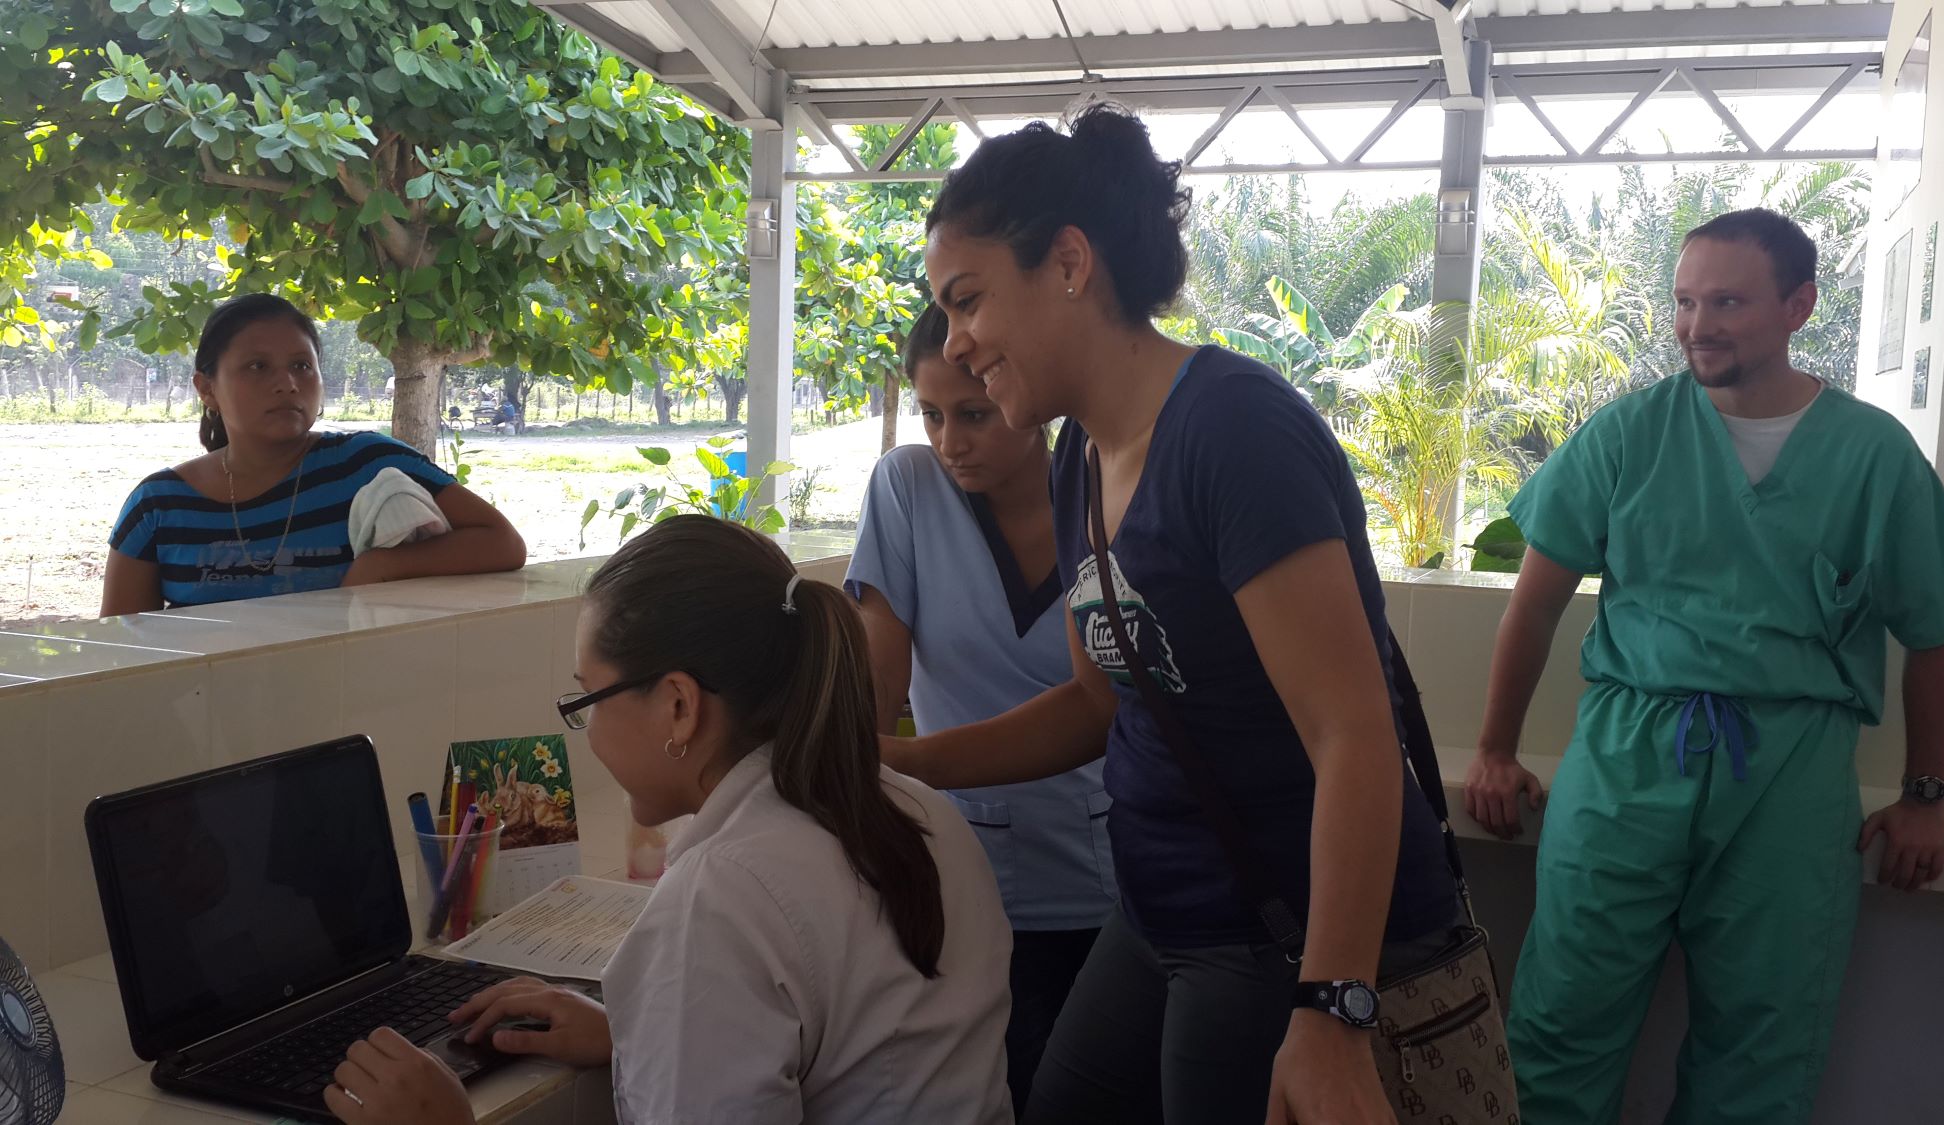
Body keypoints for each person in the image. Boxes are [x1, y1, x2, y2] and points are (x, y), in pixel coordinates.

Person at [890, 103, 1461, 1125]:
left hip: (1274, 928)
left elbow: (1352, 736)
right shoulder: (1076, 461)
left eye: (966, 299)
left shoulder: (1229, 430)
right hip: (1158, 911)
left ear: (1068, 262)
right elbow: (1095, 701)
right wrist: (896, 765)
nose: (957, 341)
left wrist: (1330, 1010)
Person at [1463, 208, 1944, 1125]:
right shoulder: (1630, 432)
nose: (1697, 325)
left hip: (1790, 769)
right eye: (1684, 301)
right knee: (1560, 1024)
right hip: (1627, 755)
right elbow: (1537, 601)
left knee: (1763, 1041)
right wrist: (1495, 747)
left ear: (1799, 306)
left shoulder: (1873, 456)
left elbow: (1933, 636)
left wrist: (1926, 792)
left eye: (1728, 301)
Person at [320, 514, 1014, 1125]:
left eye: (588, 698)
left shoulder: (722, 897)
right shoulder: (918, 811)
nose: (586, 730)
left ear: (679, 705)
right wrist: (644, 1031)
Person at [848, 304, 1116, 1115]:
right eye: (930, 414)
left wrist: (911, 760)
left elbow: (1098, 705)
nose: (948, 441)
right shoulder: (906, 488)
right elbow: (875, 683)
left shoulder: (1102, 484)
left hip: (1110, 879)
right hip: (966, 882)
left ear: (1025, 394)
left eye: (972, 413)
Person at [101, 295, 525, 616]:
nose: (286, 383)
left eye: (302, 366)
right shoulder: (158, 506)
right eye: (257, 367)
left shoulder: (367, 464)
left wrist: (378, 568)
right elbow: (124, 656)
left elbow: (503, 544)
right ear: (206, 389)